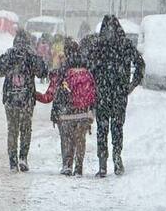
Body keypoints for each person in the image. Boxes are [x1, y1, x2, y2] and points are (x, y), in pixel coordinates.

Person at [88, 15, 145, 176]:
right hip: (119, 93)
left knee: (102, 128)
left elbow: (89, 69)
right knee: (117, 127)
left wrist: (94, 86)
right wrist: (131, 85)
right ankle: (117, 158)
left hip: (102, 94)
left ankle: (102, 164)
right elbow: (140, 64)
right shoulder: (125, 44)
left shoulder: (98, 46)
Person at [35, 38, 97, 176]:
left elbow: (49, 96)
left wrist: (34, 95)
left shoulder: (61, 71)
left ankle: (67, 165)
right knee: (80, 139)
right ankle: (79, 166)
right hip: (83, 112)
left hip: (66, 112)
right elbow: (94, 91)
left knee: (66, 139)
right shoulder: (88, 68)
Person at [0, 29, 48, 172]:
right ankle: (23, 157)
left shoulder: (8, 54)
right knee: (26, 129)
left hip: (11, 99)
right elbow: (43, 72)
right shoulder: (31, 56)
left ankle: (13, 162)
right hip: (27, 99)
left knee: (12, 129)